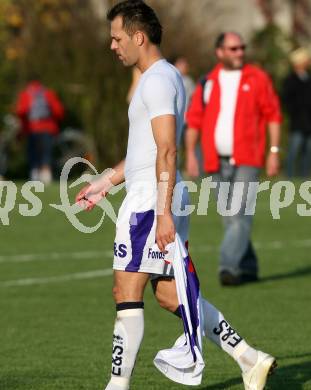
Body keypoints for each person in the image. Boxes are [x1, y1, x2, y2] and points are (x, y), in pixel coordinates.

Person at [76, 4, 276, 389]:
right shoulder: (161, 78)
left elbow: (167, 150)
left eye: (117, 37)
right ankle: (249, 357)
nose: (112, 45)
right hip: (155, 195)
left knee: (125, 291)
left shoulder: (155, 81)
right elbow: (144, 152)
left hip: (152, 201)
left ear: (138, 36)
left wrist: (162, 210)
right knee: (171, 296)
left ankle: (116, 387)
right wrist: (106, 181)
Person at [185, 32, 282, 286]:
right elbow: (194, 120)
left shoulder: (257, 78)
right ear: (220, 52)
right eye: (233, 49)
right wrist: (190, 155)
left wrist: (273, 152)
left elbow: (273, 115)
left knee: (238, 214)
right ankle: (248, 266)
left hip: (248, 158)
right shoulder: (208, 82)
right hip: (214, 160)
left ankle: (228, 266)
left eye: (242, 48)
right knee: (229, 217)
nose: (240, 52)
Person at [15, 78, 64, 183]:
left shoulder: (26, 94)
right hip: (47, 127)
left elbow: (21, 112)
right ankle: (46, 175)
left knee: (33, 152)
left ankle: (34, 174)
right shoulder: (47, 93)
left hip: (31, 128)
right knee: (46, 152)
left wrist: (21, 130)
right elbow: (58, 111)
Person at [283, 47, 311, 178]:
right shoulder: (290, 80)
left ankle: (304, 177)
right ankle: (288, 177)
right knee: (293, 151)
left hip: (309, 122)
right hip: (298, 122)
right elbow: (287, 100)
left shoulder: (308, 79)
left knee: (308, 152)